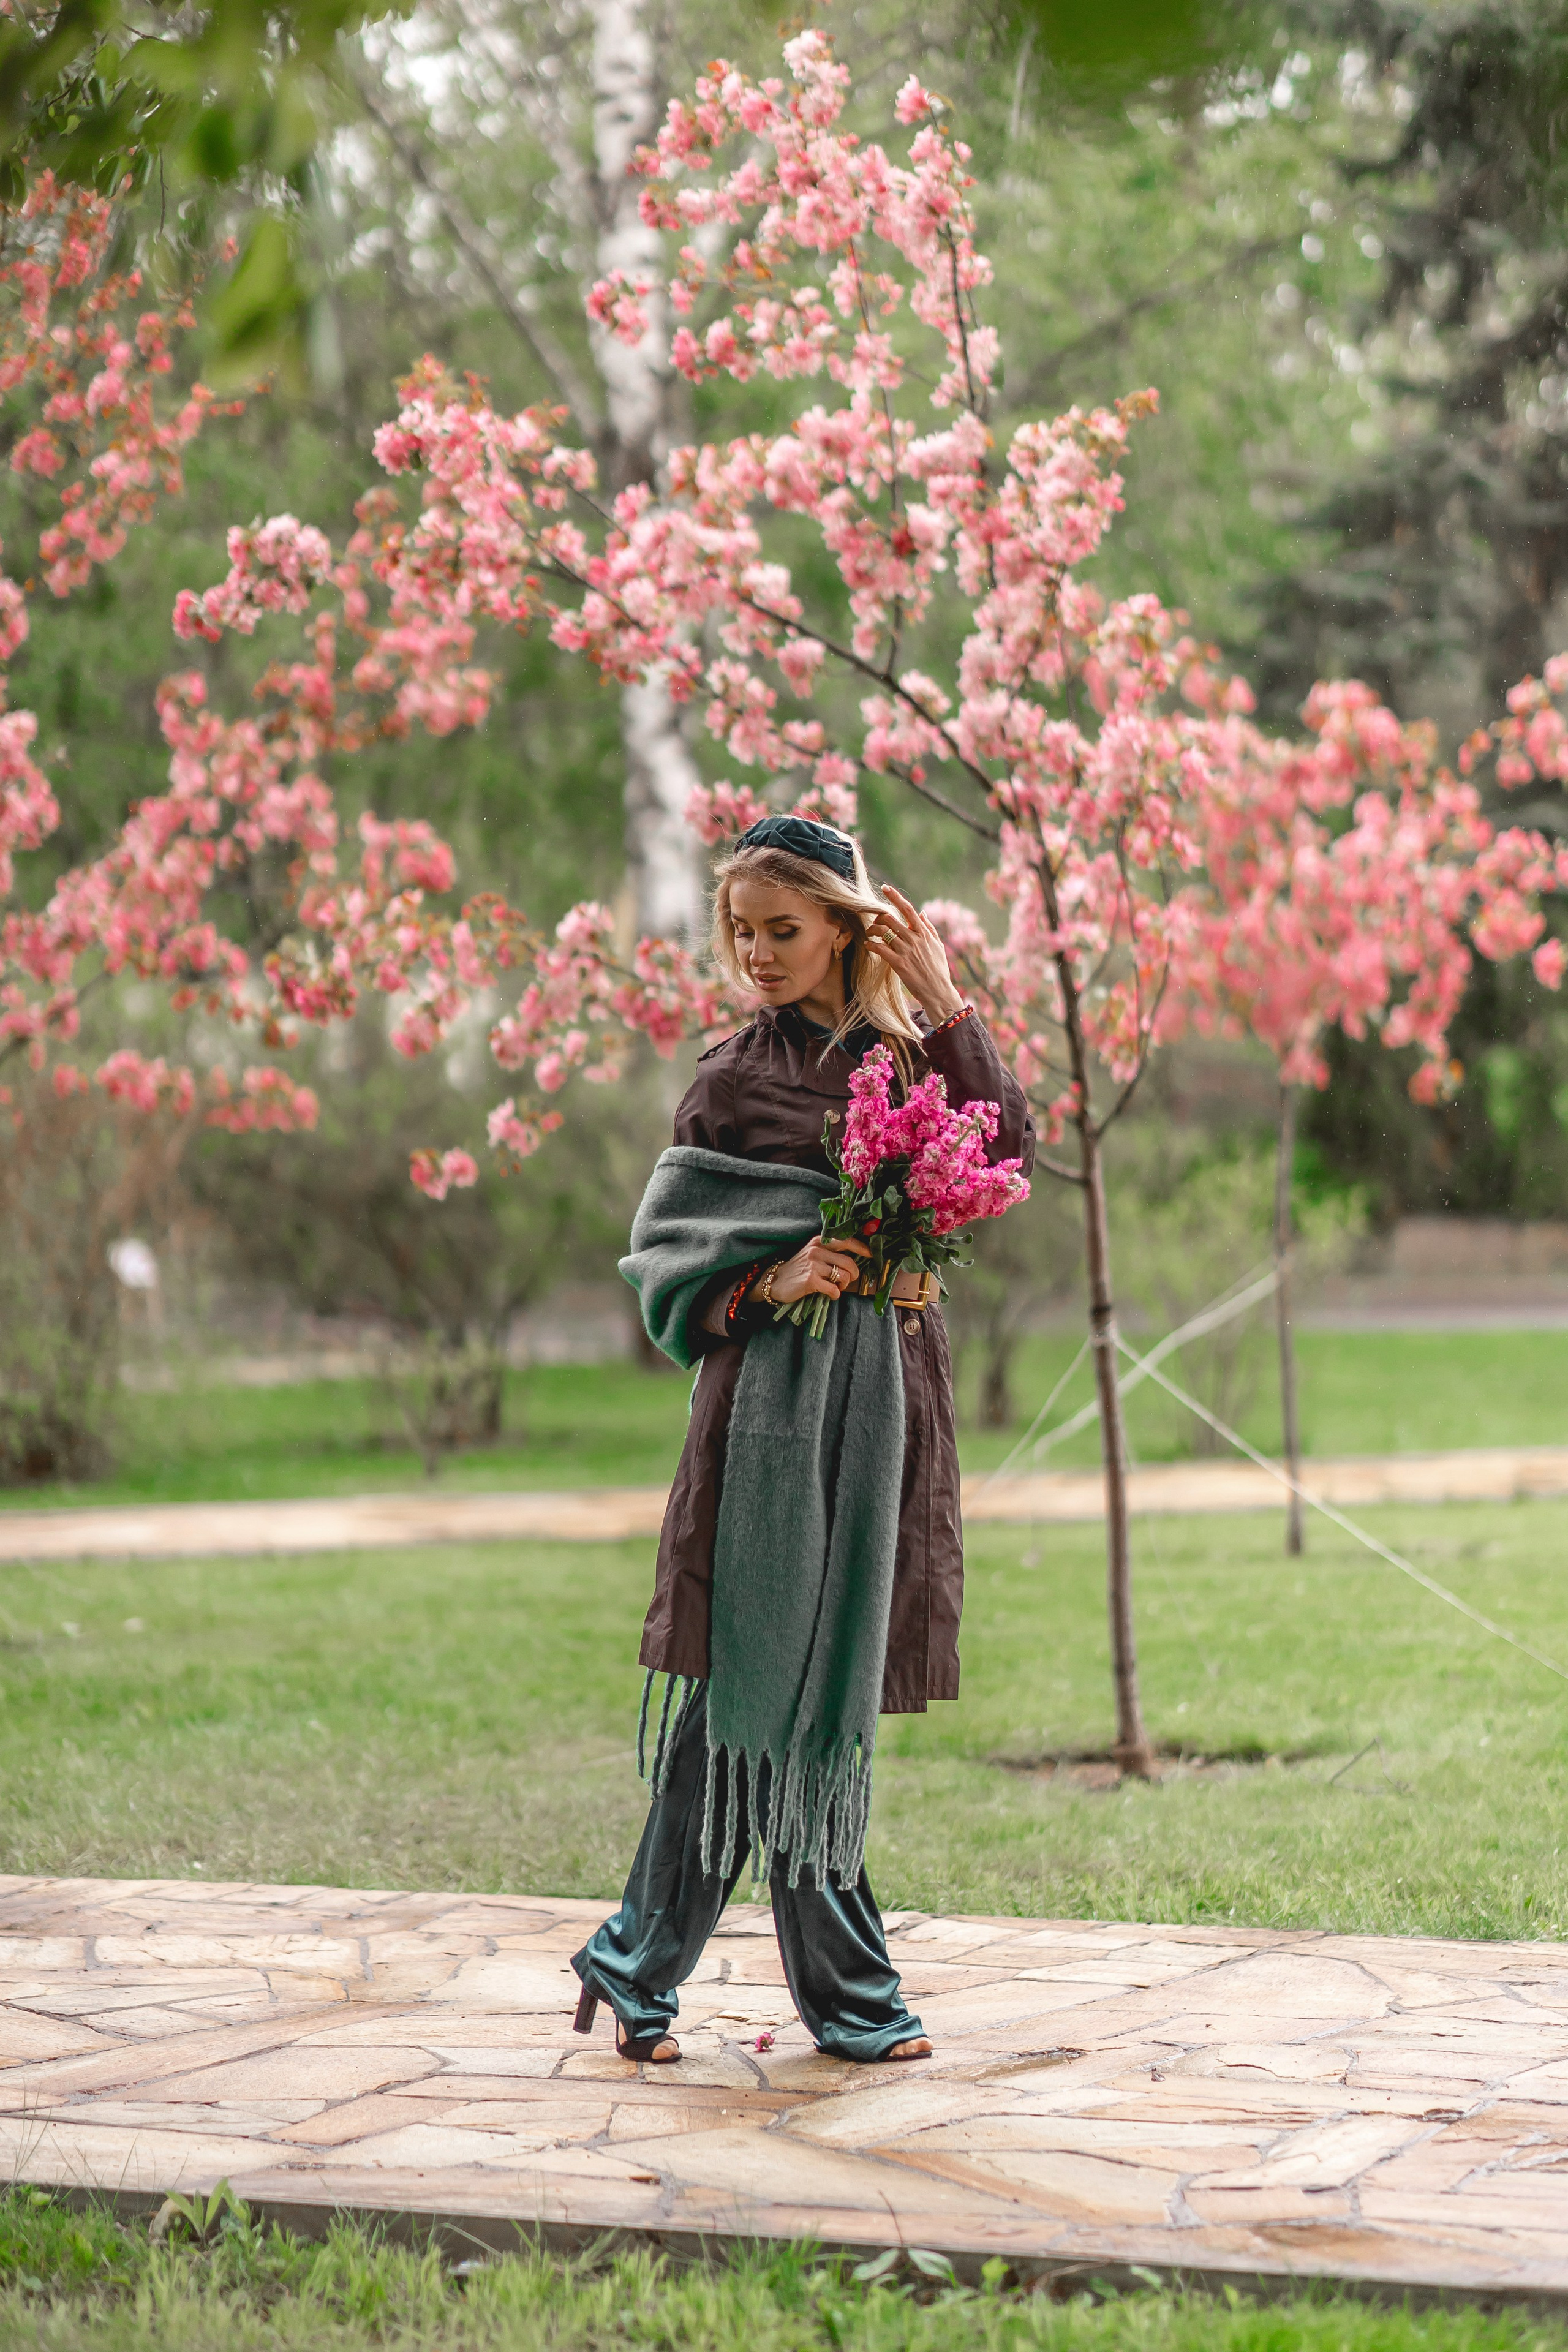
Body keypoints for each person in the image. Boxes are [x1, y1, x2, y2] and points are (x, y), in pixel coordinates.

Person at [570, 814, 1035, 2065]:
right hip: (765, 1420)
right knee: (747, 1693)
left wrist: (939, 997)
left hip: (881, 1414)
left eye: (784, 929)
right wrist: (774, 1279)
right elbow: (667, 1253)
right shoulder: (729, 1077)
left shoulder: (908, 1056)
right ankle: (828, 1996)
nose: (757, 953)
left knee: (816, 1696)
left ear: (844, 924)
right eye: (741, 932)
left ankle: (643, 1965)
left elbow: (1001, 1152)